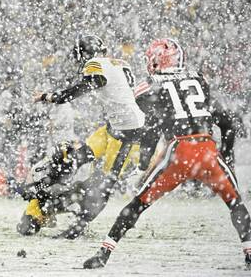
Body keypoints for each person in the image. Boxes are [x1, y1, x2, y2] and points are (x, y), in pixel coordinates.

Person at [83, 38, 251, 270]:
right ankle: (249, 251)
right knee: (235, 203)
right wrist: (227, 156)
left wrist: (141, 155)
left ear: (155, 60)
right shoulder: (198, 78)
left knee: (138, 203)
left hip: (179, 151)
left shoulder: (150, 85)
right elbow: (224, 121)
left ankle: (104, 252)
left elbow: (143, 123)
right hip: (207, 148)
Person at [19, 34, 145, 239]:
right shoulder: (119, 63)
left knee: (101, 185)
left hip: (128, 134)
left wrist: (51, 97)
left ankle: (71, 221)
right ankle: (44, 198)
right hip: (115, 127)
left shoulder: (96, 63)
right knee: (72, 157)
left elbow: (88, 85)